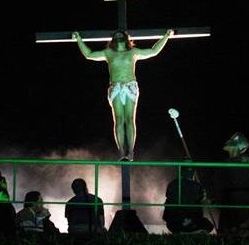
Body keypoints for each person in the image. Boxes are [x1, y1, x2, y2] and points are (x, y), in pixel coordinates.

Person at [72, 29, 174, 161]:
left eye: (121, 35)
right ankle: (121, 152)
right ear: (113, 39)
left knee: (130, 120)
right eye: (116, 35)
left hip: (130, 86)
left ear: (126, 39)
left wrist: (166, 36)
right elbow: (89, 54)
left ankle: (131, 151)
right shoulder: (109, 53)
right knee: (119, 120)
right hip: (116, 87)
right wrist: (79, 38)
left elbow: (153, 51)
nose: (118, 36)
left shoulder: (133, 52)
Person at [216, 132, 249, 236]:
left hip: (238, 212)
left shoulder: (236, 164)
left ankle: (237, 229)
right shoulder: (247, 164)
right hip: (237, 209)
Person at [162, 166, 214, 234]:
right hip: (191, 220)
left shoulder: (172, 184)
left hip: (173, 222)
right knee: (208, 225)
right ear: (193, 174)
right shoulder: (198, 186)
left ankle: (183, 230)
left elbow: (168, 202)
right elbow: (204, 202)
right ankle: (190, 231)